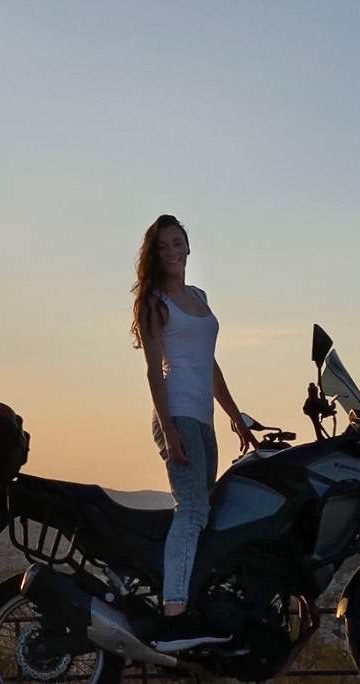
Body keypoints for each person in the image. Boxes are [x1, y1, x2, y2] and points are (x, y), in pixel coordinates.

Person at [130, 214, 257, 643]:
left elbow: (210, 364)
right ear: (154, 254)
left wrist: (236, 416)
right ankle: (174, 613)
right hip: (176, 411)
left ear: (188, 247)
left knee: (206, 512)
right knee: (193, 509)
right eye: (162, 246)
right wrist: (167, 430)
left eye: (177, 243)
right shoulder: (154, 302)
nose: (171, 252)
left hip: (202, 417)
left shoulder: (199, 297)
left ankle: (195, 601)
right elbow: (152, 371)